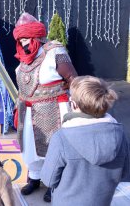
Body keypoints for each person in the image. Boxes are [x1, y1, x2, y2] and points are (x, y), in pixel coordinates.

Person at [12, 12, 77, 202]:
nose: (23, 43)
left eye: (26, 38)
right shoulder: (23, 58)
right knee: (30, 148)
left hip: (54, 109)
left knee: (52, 149)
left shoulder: (55, 51)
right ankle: (34, 179)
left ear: (36, 37)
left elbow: (73, 79)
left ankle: (53, 183)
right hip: (28, 110)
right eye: (20, 39)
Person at [41, 76, 129, 206]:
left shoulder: (61, 138)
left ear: (74, 104)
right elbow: (124, 173)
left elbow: (48, 180)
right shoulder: (119, 134)